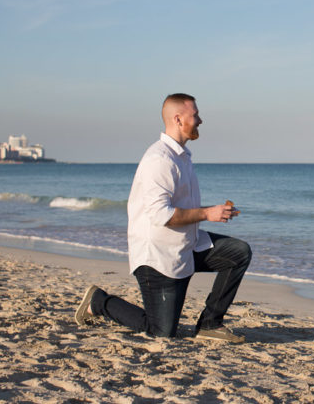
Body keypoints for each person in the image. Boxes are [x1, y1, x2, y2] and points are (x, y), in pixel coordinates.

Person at [75, 93, 251, 342]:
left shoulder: (182, 157)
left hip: (186, 246)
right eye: (195, 115)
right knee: (161, 331)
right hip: (158, 257)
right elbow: (161, 214)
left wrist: (212, 212)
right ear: (178, 119)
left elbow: (179, 207)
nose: (200, 120)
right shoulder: (159, 159)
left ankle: (210, 324)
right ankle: (99, 302)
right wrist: (207, 212)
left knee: (238, 252)